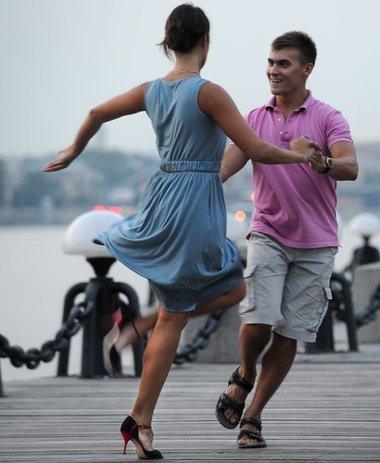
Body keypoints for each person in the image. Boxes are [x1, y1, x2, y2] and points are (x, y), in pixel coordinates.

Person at [43, 5, 319, 459]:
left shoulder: (153, 89)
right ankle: (140, 412)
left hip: (162, 195)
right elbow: (252, 149)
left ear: (169, 42)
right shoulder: (208, 92)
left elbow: (95, 112)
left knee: (207, 298)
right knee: (207, 300)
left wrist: (74, 149)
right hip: (195, 201)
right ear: (205, 43)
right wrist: (301, 156)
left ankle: (140, 383)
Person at [216, 31, 358, 449]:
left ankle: (253, 417)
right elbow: (226, 166)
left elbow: (350, 168)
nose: (273, 70)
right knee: (258, 318)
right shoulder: (254, 118)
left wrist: (321, 161)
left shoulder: (329, 117)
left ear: (306, 69)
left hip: (317, 243)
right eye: (271, 62)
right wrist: (193, 183)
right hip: (269, 233)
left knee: (289, 332)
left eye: (283, 63)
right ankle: (244, 371)